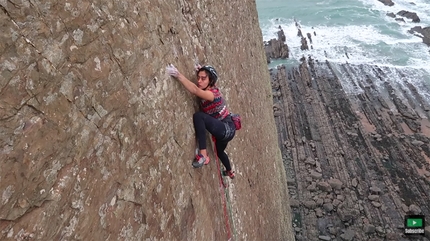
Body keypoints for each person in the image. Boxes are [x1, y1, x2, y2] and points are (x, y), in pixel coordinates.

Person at [166, 64, 236, 179]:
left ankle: (203, 155)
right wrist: (203, 72)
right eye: (198, 77)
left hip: (225, 128)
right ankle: (230, 171)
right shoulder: (211, 87)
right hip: (228, 128)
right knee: (220, 152)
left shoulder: (211, 94)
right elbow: (204, 83)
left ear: (210, 81)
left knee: (199, 117)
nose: (199, 81)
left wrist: (178, 75)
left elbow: (195, 90)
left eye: (203, 79)